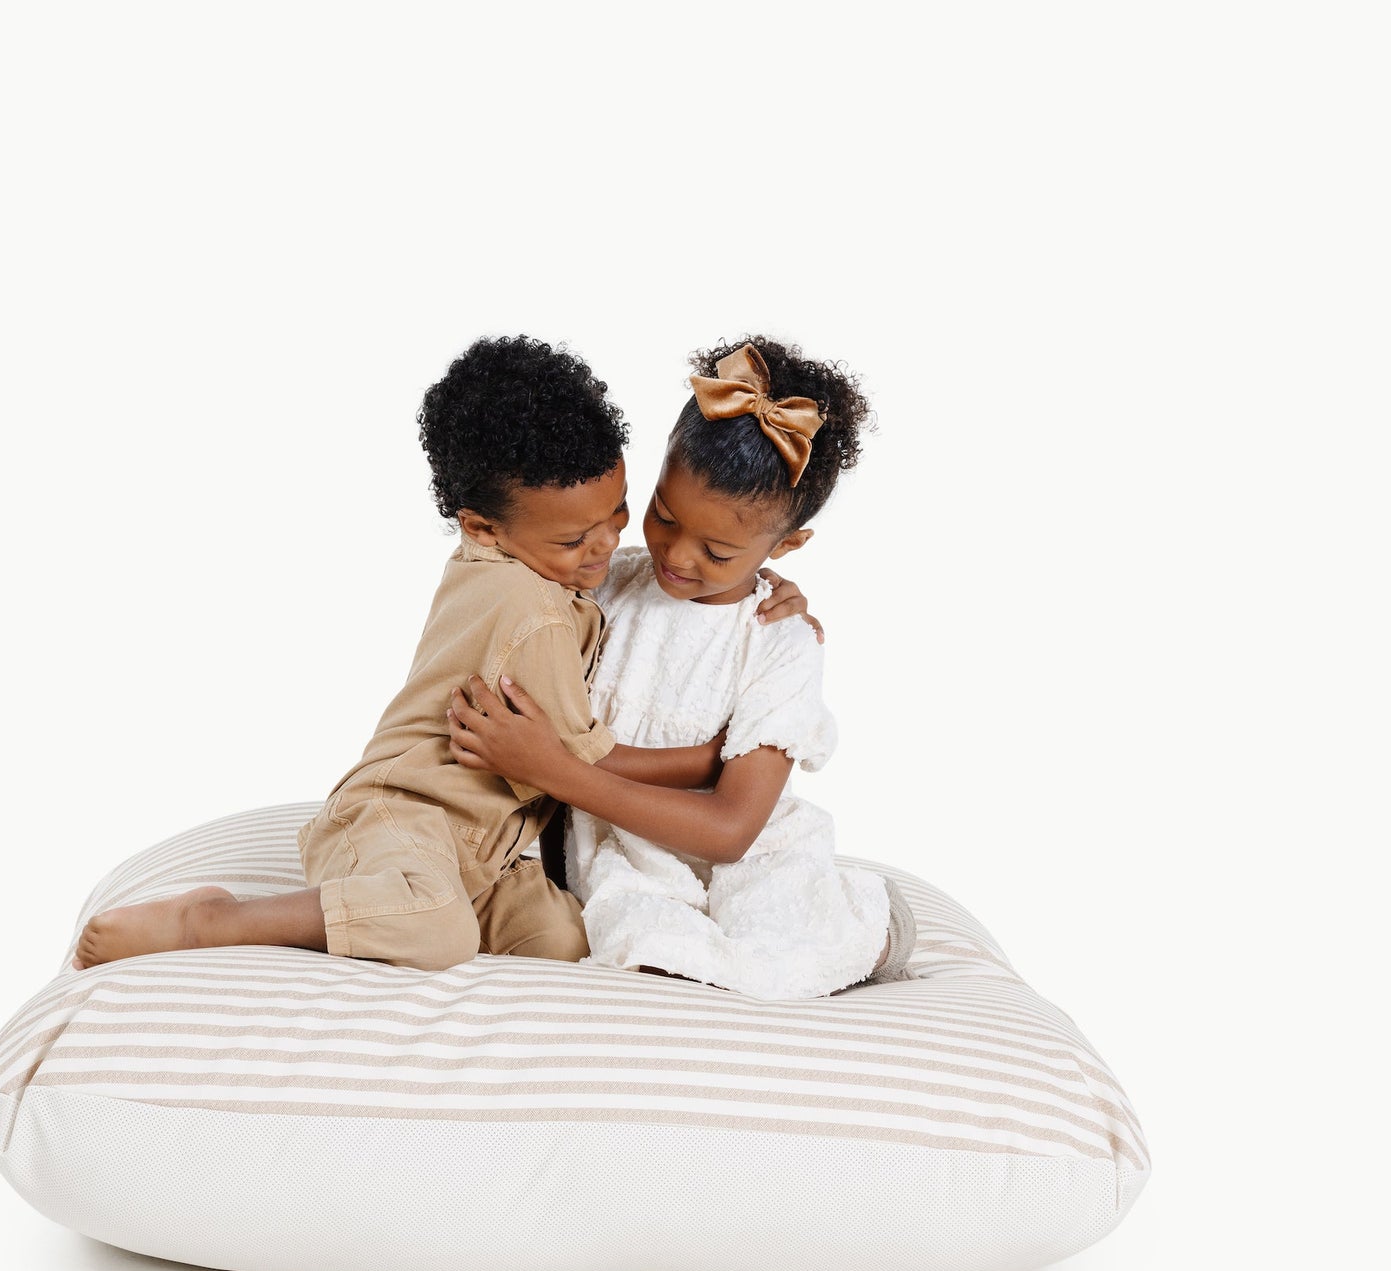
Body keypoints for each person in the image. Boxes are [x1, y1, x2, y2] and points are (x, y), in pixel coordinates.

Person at [70, 335, 815, 972]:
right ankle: (214, 921)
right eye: (652, 518)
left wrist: (762, 592)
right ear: (483, 527)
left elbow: (684, 608)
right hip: (409, 816)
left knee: (562, 937)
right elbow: (571, 759)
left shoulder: (561, 566)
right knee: (436, 925)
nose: (609, 549)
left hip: (489, 850)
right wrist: (716, 760)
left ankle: (387, 911)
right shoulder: (534, 610)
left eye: (616, 515)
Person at [448, 336, 916, 999]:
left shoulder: (777, 640)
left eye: (719, 551)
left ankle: (875, 925)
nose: (677, 555)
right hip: (621, 857)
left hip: (743, 857)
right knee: (644, 941)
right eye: (663, 515)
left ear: (786, 545)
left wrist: (556, 766)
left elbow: (729, 828)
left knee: (777, 940)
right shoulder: (604, 584)